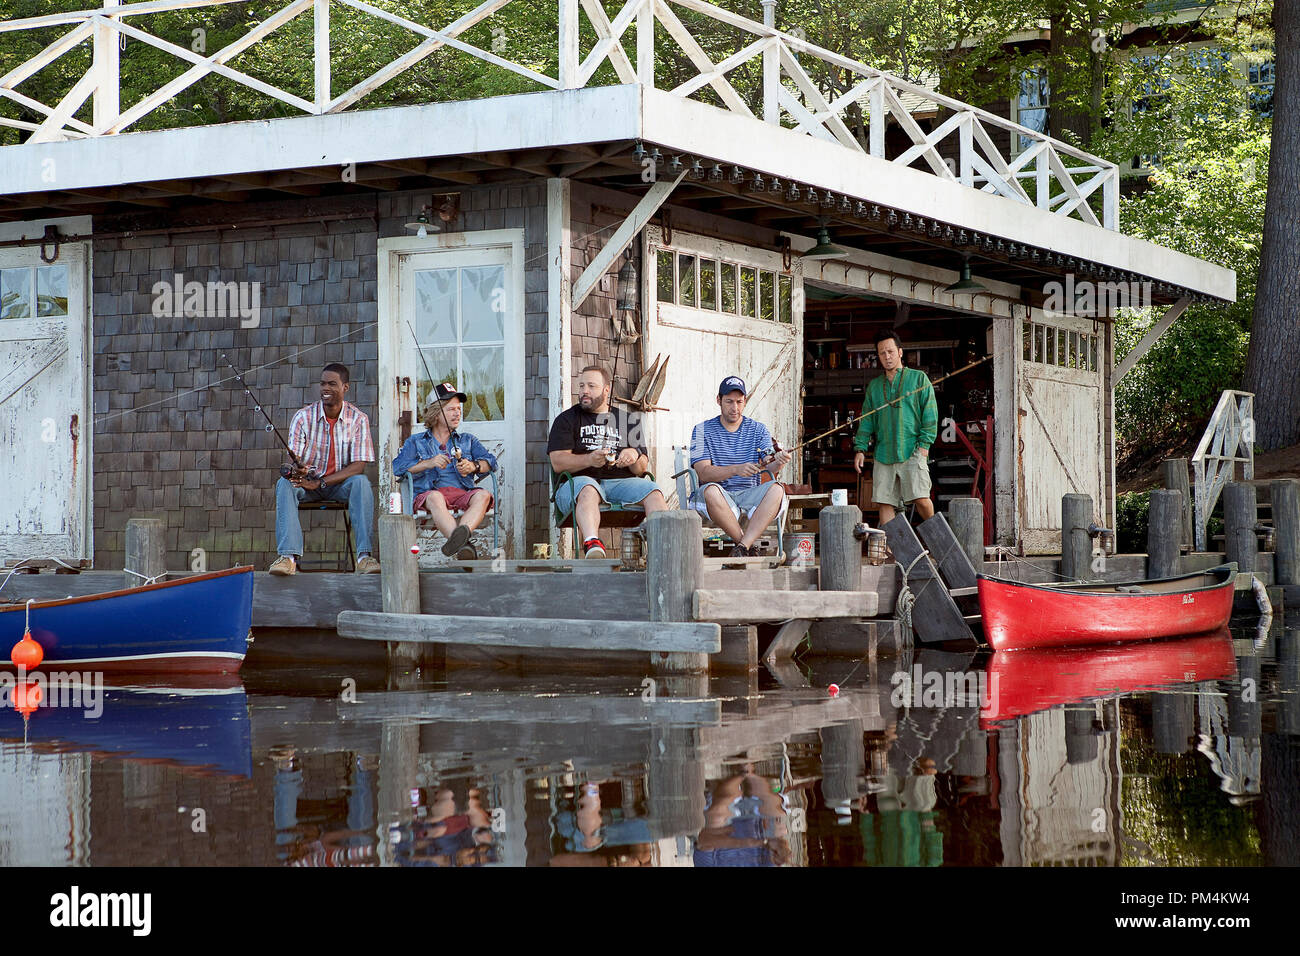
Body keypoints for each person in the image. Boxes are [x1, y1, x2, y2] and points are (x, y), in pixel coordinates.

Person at [547, 364, 667, 558]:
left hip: (620, 483)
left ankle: (663, 547)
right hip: (576, 485)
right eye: (581, 386)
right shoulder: (567, 419)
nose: (585, 391)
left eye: (591, 386)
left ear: (606, 390)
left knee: (653, 490)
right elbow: (558, 463)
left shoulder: (629, 420)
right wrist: (589, 459)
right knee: (588, 488)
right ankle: (592, 544)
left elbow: (640, 469)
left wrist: (633, 455)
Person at [271, 363, 379, 575]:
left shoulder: (358, 419)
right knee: (284, 483)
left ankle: (364, 557)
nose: (325, 389)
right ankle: (288, 557)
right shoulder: (303, 417)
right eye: (322, 384)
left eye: (332, 384)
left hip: (338, 485)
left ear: (345, 387)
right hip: (307, 483)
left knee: (362, 483)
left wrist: (321, 482)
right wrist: (297, 469)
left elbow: (359, 465)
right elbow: (294, 458)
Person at [688, 375, 792, 557]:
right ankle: (748, 546)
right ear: (718, 400)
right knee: (711, 491)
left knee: (777, 490)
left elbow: (770, 465)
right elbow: (703, 473)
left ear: (745, 402)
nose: (734, 408)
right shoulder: (701, 430)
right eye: (729, 401)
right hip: (719, 496)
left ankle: (742, 547)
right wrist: (736, 469)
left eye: (739, 402)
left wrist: (779, 460)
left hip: (749, 495)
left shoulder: (759, 429)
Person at [392, 383, 498, 560]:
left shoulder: (467, 440)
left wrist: (474, 466)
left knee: (483, 495)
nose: (457, 413)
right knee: (435, 497)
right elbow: (399, 468)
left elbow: (491, 462)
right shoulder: (416, 441)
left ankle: (462, 544)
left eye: (458, 408)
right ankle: (464, 546)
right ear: (436, 412)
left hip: (461, 493)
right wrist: (428, 463)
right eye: (451, 409)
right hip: (431, 495)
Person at [853, 331, 938, 526]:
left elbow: (930, 416)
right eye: (882, 353)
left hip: (913, 449)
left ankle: (940, 542)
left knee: (921, 498)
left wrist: (924, 446)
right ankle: (891, 553)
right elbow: (866, 420)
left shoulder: (919, 379)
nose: (887, 356)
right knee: (885, 502)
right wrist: (860, 449)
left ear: (900, 352)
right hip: (883, 452)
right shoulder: (874, 386)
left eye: (890, 351)